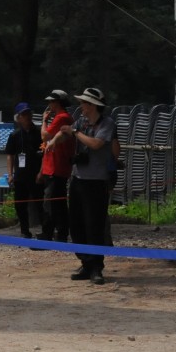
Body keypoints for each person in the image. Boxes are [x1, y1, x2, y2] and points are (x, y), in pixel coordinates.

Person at [61, 87, 115, 285]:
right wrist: (55, 139)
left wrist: (74, 132)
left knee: (94, 225)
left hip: (96, 182)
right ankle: (85, 262)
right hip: (77, 179)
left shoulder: (107, 123)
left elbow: (96, 144)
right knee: (76, 224)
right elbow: (67, 134)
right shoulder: (80, 122)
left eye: (84, 103)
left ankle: (96, 267)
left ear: (93, 105)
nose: (81, 106)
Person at [37, 89, 73, 243]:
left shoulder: (62, 117)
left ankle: (48, 233)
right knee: (58, 202)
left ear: (58, 102)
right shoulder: (62, 117)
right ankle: (60, 233)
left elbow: (44, 136)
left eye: (51, 101)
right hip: (55, 166)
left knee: (50, 203)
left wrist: (44, 120)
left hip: (56, 167)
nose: (49, 104)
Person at [5, 102, 43, 239]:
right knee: (20, 205)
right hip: (20, 176)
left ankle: (46, 230)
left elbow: (45, 153)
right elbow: (10, 155)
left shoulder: (40, 133)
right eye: (24, 114)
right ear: (18, 118)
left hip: (37, 174)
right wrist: (10, 174)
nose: (27, 116)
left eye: (28, 113)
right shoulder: (14, 135)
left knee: (41, 203)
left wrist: (42, 172)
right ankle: (24, 230)